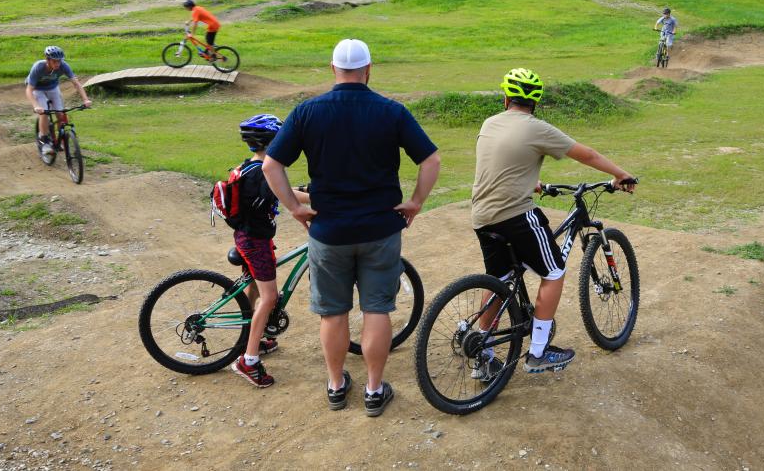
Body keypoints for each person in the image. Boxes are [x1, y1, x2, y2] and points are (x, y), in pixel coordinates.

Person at [262, 39, 441, 416]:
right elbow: (430, 159)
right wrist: (416, 202)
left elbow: (270, 166)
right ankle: (375, 390)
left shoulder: (308, 111)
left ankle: (336, 384)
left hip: (329, 232)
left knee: (333, 313)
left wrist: (295, 207)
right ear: (369, 69)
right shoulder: (391, 111)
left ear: (332, 69)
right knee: (377, 309)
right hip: (380, 229)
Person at [469, 68, 634, 380]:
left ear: (506, 98)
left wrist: (534, 183)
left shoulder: (490, 123)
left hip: (481, 216)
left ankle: (484, 354)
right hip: (514, 215)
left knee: (499, 279)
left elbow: (502, 164)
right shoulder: (537, 129)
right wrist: (620, 175)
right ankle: (539, 352)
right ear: (535, 102)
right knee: (554, 272)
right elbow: (588, 154)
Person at [228, 113, 313, 389]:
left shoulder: (253, 166)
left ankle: (252, 336)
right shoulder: (265, 173)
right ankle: (248, 361)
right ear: (272, 142)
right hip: (255, 241)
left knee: (255, 285)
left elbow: (286, 188)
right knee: (270, 297)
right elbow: (288, 196)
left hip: (247, 237)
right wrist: (320, 203)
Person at [25, 45, 90, 153]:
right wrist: (36, 106)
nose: (57, 64)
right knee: (44, 113)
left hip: (53, 88)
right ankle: (44, 141)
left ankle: (61, 140)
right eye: (54, 61)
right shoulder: (38, 67)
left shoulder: (64, 66)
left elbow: (76, 83)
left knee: (61, 113)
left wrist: (85, 99)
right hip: (37, 89)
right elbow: (29, 90)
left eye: (59, 61)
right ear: (48, 60)